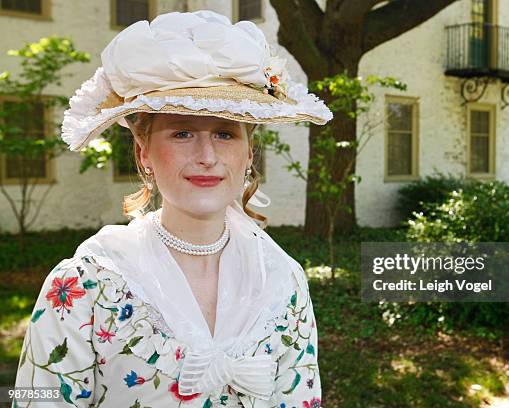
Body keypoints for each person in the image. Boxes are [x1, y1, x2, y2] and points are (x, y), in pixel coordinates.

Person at [12, 9, 332, 408]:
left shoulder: (283, 283)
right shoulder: (84, 285)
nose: (207, 156)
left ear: (249, 153)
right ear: (143, 152)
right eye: (182, 132)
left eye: (224, 133)